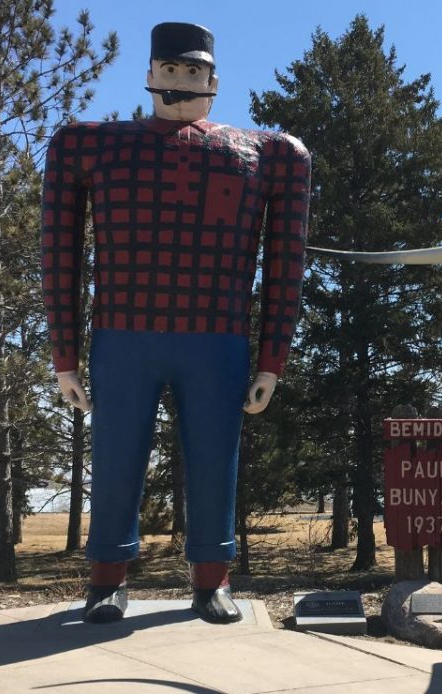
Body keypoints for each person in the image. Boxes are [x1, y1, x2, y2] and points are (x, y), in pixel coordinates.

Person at [40, 22, 310, 624]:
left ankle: (212, 579)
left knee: (216, 458)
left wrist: (272, 360)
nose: (180, 82)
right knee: (116, 456)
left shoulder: (269, 155)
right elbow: (59, 253)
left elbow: (285, 263)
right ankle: (106, 579)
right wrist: (65, 357)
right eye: (170, 69)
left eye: (193, 71)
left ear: (213, 81)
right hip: (123, 333)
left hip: (215, 337)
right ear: (149, 75)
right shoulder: (88, 146)